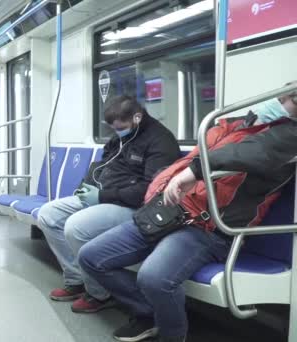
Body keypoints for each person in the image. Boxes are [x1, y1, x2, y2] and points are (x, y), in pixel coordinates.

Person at [78, 92, 297, 342]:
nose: (279, 103)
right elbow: (200, 152)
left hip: (208, 227)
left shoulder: (288, 137)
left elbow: (249, 153)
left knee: (153, 277)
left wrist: (191, 173)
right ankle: (150, 313)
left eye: (289, 100)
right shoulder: (235, 124)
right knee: (91, 257)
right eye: (281, 97)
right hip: (169, 211)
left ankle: (173, 335)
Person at [37, 95, 181, 313]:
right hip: (104, 196)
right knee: (48, 215)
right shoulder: (120, 138)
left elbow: (149, 191)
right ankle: (76, 279)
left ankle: (99, 293)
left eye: (120, 127)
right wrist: (87, 187)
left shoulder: (161, 142)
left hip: (136, 208)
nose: (117, 132)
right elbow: (103, 165)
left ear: (137, 117)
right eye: (113, 129)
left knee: (76, 227)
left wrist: (101, 196)